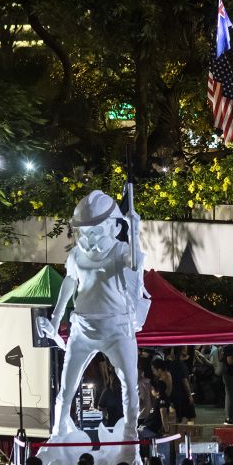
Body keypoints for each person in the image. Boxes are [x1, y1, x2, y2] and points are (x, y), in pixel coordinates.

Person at [38, 189, 148, 442]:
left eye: (94, 230)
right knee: (66, 387)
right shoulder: (76, 254)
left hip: (117, 328)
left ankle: (130, 436)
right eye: (84, 231)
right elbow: (69, 283)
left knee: (129, 384)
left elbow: (135, 265)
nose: (88, 237)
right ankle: (58, 433)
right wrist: (56, 321)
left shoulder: (121, 251)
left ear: (112, 226)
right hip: (82, 328)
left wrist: (134, 233)